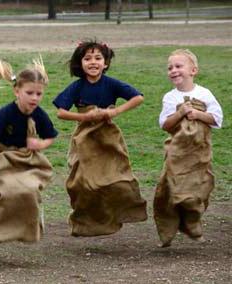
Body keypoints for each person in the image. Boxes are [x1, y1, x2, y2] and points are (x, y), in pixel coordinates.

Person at [52, 39, 147, 237]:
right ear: (81, 63)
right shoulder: (77, 87)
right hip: (84, 137)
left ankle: (121, 212)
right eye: (88, 58)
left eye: (98, 58)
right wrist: (84, 116)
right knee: (79, 182)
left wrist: (115, 111)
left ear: (105, 63)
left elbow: (138, 97)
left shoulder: (111, 84)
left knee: (117, 178)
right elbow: (61, 112)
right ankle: (83, 223)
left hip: (107, 137)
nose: (93, 62)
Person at [0, 58, 57, 246]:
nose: (34, 98)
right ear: (17, 91)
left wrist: (39, 145)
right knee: (7, 190)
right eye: (29, 93)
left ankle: (30, 229)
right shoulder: (6, 113)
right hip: (5, 158)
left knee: (28, 190)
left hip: (30, 161)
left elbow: (50, 136)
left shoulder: (39, 114)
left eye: (39, 94)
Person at [154, 49, 223, 247]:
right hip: (177, 151)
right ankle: (169, 228)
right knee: (174, 190)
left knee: (200, 187)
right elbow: (165, 125)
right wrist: (180, 113)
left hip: (200, 151)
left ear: (193, 70)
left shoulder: (204, 93)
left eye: (178, 66)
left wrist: (197, 114)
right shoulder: (170, 97)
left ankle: (192, 219)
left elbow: (217, 119)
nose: (173, 70)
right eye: (170, 68)